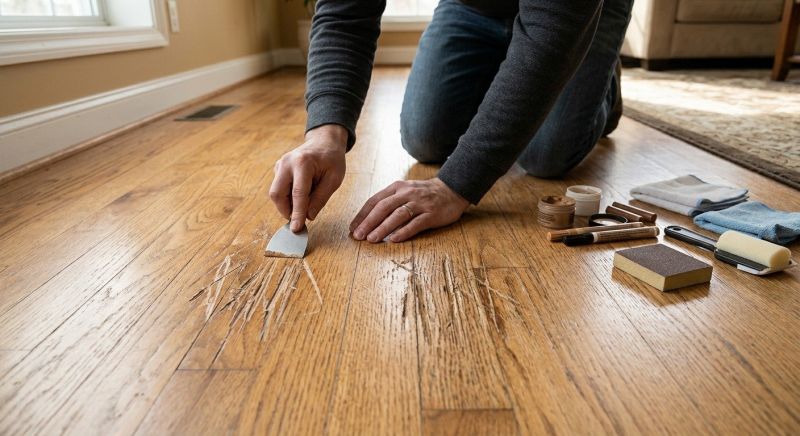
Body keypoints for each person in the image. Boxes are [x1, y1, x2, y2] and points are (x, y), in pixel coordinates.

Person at [269, 0, 633, 243]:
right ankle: (510, 63)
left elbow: (552, 29)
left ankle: (601, 83)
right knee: (425, 139)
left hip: (575, 12)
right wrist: (326, 134)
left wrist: (454, 188)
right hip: (472, 5)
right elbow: (345, 14)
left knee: (547, 155)